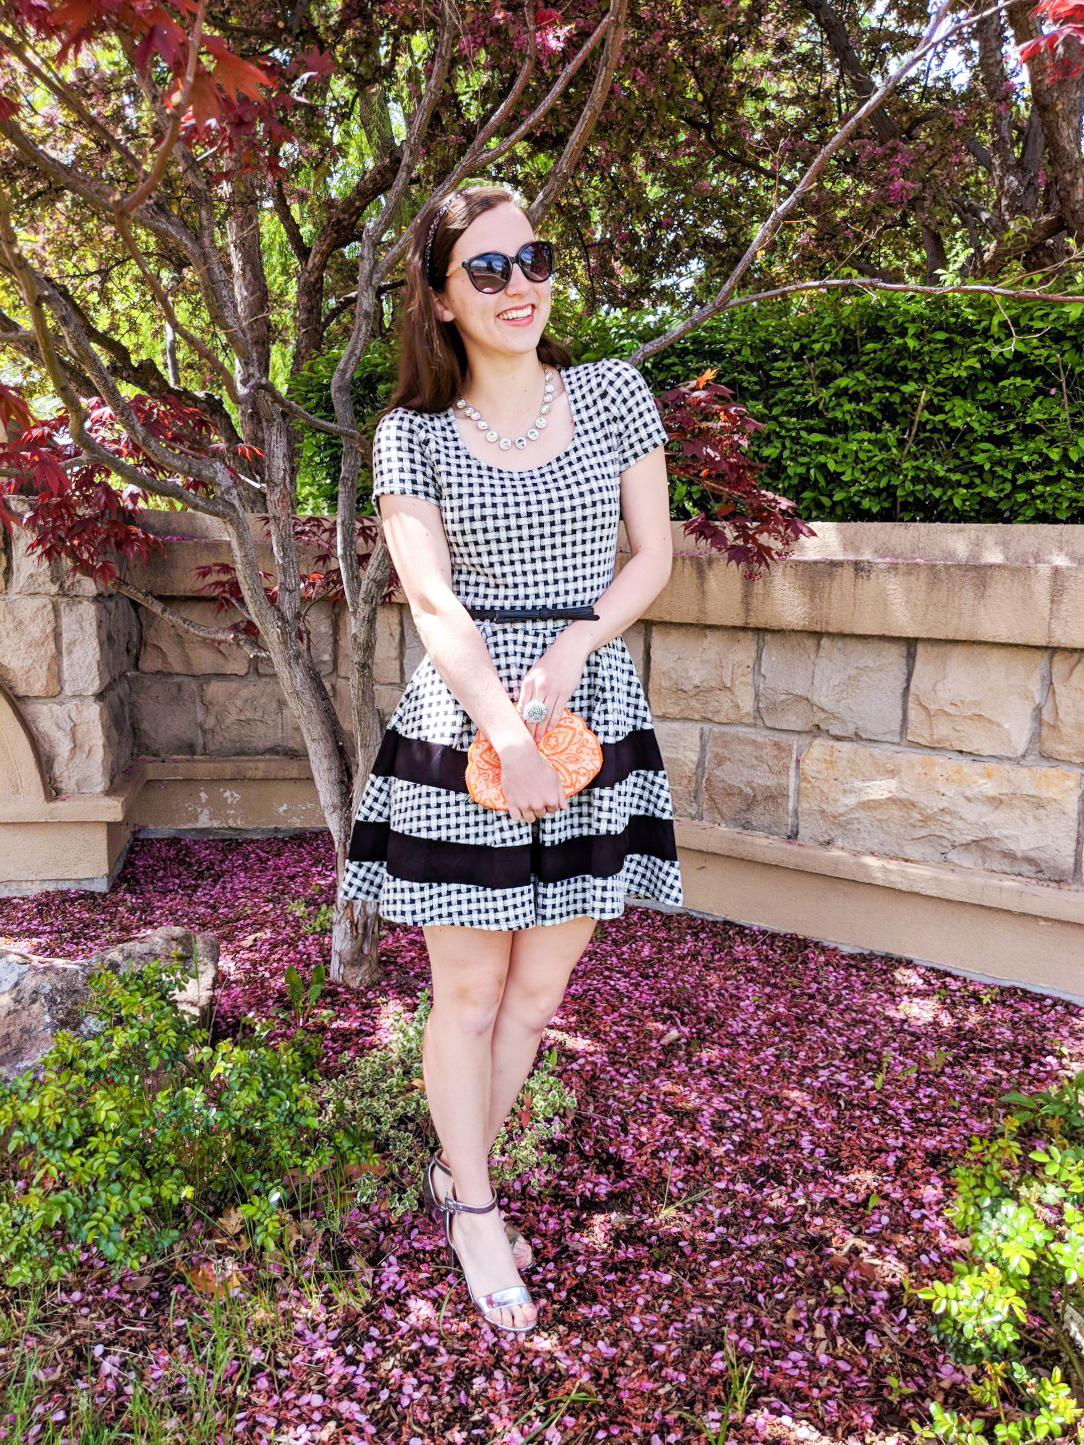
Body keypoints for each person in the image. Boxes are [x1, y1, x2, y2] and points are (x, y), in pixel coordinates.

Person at [340, 185, 683, 1334]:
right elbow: (431, 597)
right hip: (467, 722)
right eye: (485, 270)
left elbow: (652, 556)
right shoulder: (414, 434)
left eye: (531, 257)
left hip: (593, 711)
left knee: (538, 995)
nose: (518, 284)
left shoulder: (612, 393)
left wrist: (584, 637)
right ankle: (477, 1206)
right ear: (438, 299)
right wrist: (504, 732)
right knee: (472, 991)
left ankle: (453, 1173)